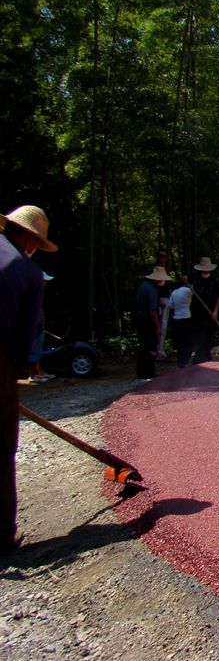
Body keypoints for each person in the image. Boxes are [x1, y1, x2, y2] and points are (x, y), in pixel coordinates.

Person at [0, 204, 57, 554]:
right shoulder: (27, 271)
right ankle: (2, 536)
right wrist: (15, 372)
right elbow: (27, 335)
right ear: (31, 238)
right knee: (1, 445)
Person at [134, 265, 169, 379]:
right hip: (148, 321)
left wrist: (159, 303)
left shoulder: (143, 286)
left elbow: (146, 302)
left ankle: (141, 373)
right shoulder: (152, 289)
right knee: (151, 348)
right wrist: (158, 326)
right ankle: (148, 373)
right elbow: (152, 310)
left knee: (143, 346)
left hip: (140, 319)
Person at [24, 272, 55, 384]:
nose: (46, 283)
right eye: (44, 280)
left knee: (37, 351)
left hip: (38, 326)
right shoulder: (31, 293)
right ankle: (32, 375)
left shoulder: (37, 293)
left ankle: (39, 373)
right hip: (34, 326)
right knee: (33, 351)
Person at [190, 256, 219, 363]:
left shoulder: (215, 280)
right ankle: (199, 359)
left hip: (210, 312)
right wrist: (183, 280)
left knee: (207, 335)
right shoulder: (194, 277)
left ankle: (205, 356)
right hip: (196, 312)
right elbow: (184, 281)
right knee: (198, 336)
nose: (205, 271)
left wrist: (215, 312)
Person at [167, 274, 194, 367]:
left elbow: (170, 306)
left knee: (180, 341)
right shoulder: (188, 290)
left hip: (176, 319)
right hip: (186, 317)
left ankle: (180, 360)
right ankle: (184, 360)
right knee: (189, 341)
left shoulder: (174, 292)